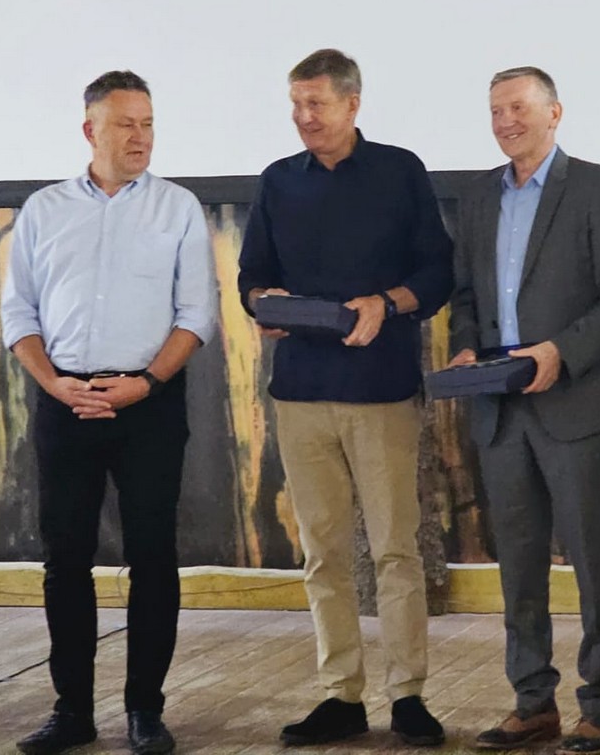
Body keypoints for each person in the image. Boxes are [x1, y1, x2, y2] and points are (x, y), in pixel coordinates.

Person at [237, 49, 454, 748]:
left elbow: (438, 273)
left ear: (353, 104)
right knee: (323, 554)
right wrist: (262, 301)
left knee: (395, 551)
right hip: (300, 393)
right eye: (296, 105)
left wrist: (386, 302)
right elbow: (251, 275)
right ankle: (341, 696)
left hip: (381, 391)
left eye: (317, 104)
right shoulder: (277, 181)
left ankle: (408, 695)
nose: (304, 117)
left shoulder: (400, 171)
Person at [0, 70, 218, 755]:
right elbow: (18, 313)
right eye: (126, 124)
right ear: (90, 130)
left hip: (148, 403)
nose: (140, 137)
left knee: (153, 556)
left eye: (148, 124)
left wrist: (145, 383)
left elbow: (196, 315)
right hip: (65, 400)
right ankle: (72, 711)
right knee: (65, 559)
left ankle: (145, 712)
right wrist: (54, 384)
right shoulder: (43, 210)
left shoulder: (178, 208)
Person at [448, 67, 600, 754]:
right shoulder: (478, 198)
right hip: (499, 408)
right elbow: (465, 297)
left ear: (555, 113)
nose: (505, 121)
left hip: (577, 402)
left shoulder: (595, 188)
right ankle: (533, 703)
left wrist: (561, 352)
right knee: (519, 565)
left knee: (593, 563)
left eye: (519, 108)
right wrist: (466, 348)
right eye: (495, 110)